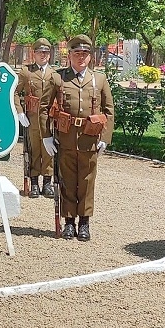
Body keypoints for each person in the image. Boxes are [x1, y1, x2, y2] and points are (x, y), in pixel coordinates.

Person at [44, 35, 114, 241]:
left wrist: (105, 137)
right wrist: (47, 136)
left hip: (89, 139)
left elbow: (109, 110)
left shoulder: (99, 79)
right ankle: (68, 223)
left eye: (85, 54)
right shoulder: (58, 78)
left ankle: (84, 222)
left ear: (90, 57)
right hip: (65, 139)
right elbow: (43, 109)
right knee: (66, 180)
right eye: (77, 54)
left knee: (86, 181)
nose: (81, 58)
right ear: (70, 56)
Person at [14, 38, 60, 199]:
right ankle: (34, 182)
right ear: (34, 54)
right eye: (40, 52)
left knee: (49, 150)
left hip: (49, 119)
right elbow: (15, 92)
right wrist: (19, 111)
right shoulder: (27, 72)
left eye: (46, 52)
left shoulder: (55, 74)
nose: (43, 55)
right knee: (33, 149)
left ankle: (47, 182)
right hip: (32, 117)